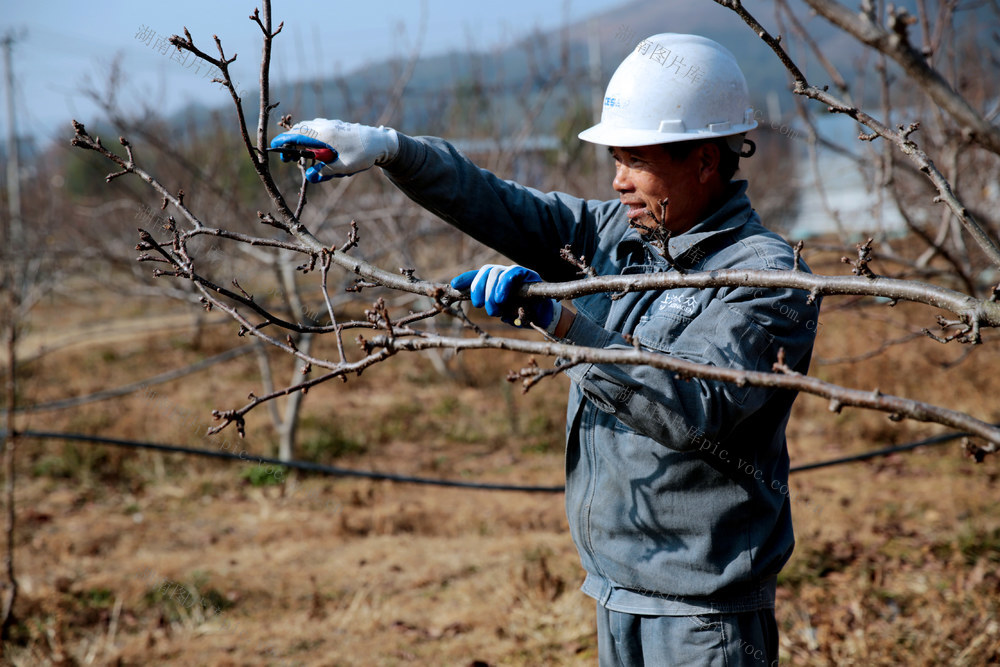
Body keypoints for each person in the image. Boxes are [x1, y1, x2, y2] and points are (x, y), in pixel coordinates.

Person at [271, 32, 818, 667]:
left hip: (705, 617)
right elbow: (496, 203)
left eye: (635, 161)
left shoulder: (766, 278)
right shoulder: (616, 236)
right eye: (615, 159)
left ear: (703, 160)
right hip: (614, 589)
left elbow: (693, 408)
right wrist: (395, 151)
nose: (617, 181)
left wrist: (561, 323)